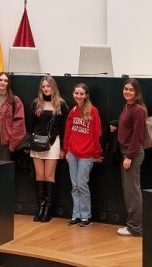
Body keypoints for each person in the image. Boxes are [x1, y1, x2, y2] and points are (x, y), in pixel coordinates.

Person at [27, 76, 68, 222]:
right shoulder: (36, 103)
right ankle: (40, 208)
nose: (46, 89)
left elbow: (63, 128)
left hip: (53, 143)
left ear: (53, 87)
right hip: (37, 143)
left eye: (48, 86)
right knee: (39, 176)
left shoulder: (61, 104)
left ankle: (47, 211)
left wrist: (63, 148)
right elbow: (30, 126)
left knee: (49, 176)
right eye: (43, 86)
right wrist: (29, 143)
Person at [63, 83, 102, 227]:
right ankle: (76, 215)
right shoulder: (73, 111)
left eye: (81, 94)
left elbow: (97, 133)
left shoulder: (93, 111)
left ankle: (86, 216)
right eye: (76, 93)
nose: (78, 96)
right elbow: (68, 132)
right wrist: (66, 150)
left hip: (86, 155)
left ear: (86, 96)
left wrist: (97, 153)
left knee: (82, 184)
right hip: (73, 154)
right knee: (75, 185)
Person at [113, 78, 147, 236]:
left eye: (131, 89)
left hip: (131, 153)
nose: (127, 92)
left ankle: (135, 227)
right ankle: (133, 225)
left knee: (132, 192)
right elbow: (128, 127)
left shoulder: (138, 110)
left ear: (137, 92)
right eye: (125, 89)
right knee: (129, 191)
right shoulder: (128, 106)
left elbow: (137, 137)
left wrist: (130, 157)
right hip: (125, 152)